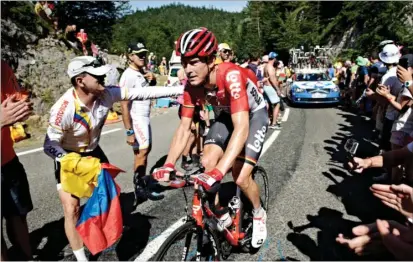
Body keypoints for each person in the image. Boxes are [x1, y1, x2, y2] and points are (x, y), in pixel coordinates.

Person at [43, 56, 183, 261]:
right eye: (97, 75)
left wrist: (182, 90)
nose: (104, 77)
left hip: (93, 151)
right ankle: (81, 258)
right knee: (71, 208)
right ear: (80, 81)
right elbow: (49, 144)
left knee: (106, 199)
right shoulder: (63, 109)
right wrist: (67, 160)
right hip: (69, 156)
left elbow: (143, 92)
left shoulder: (106, 94)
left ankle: (102, 230)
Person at [152, 27, 268, 248]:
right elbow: (184, 127)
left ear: (211, 60)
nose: (188, 69)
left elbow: (242, 127)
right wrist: (168, 163)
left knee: (240, 177)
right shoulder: (191, 86)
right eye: (185, 62)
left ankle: (258, 211)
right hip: (226, 114)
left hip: (253, 116)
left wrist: (220, 171)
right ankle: (220, 214)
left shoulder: (231, 75)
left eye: (194, 62)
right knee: (206, 163)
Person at [119, 42, 163, 206]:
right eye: (139, 54)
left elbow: (147, 91)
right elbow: (124, 104)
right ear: (130, 56)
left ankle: (142, 183)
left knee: (145, 150)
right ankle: (139, 188)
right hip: (137, 117)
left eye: (144, 53)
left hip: (145, 116)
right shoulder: (128, 75)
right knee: (142, 152)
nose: (143, 56)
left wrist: (153, 80)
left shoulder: (142, 72)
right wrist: (129, 131)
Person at [1, 61, 34, 261]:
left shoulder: (3, 67)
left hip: (8, 159)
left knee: (19, 215)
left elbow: (13, 99)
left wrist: (21, 106)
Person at [263, 52, 282, 129]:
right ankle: (274, 124)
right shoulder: (270, 67)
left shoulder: (266, 66)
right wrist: (277, 89)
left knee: (267, 105)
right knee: (277, 104)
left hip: (265, 87)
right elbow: (272, 79)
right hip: (270, 87)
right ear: (274, 58)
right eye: (276, 58)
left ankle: (265, 121)